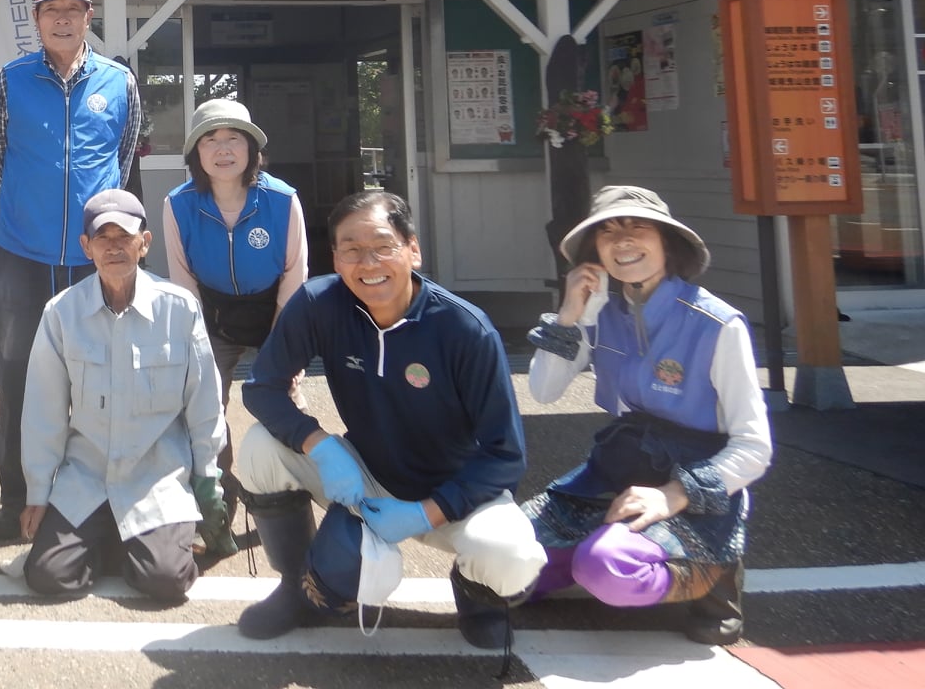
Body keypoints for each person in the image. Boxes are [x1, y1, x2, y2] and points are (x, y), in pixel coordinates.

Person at [235, 189, 545, 649]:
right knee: (261, 446)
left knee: (512, 555)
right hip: (366, 475)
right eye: (352, 250)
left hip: (454, 494)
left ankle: (477, 595)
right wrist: (320, 444)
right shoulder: (320, 303)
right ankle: (297, 586)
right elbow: (262, 387)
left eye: (382, 245)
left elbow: (505, 456)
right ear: (336, 259)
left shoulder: (465, 329)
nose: (368, 262)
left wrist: (425, 512)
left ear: (412, 249)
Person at [522, 185, 772, 645]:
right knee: (506, 562)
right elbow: (542, 390)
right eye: (607, 232)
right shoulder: (599, 314)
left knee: (604, 569)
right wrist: (570, 314)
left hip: (695, 481)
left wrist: (673, 495)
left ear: (667, 242)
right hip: (618, 468)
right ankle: (601, 551)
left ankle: (714, 575)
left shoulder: (718, 325)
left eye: (637, 227)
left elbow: (755, 447)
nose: (622, 241)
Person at [0, 0, 142, 541]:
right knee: (19, 374)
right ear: (37, 19)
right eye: (52, 11)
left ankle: (93, 493)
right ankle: (16, 497)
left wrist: (99, 234)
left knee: (99, 374)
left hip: (92, 257)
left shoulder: (119, 82)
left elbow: (122, 162)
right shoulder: (9, 80)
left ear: (88, 16)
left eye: (73, 10)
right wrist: (32, 212)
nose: (63, 19)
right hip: (23, 254)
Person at [20, 189, 226, 603]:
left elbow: (204, 402)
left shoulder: (180, 308)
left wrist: (208, 483)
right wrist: (38, 494)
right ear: (86, 247)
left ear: (144, 242)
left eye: (124, 236)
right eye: (102, 238)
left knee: (165, 581)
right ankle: (119, 541)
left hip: (156, 477)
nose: (113, 247)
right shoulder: (61, 313)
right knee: (49, 577)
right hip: (88, 477)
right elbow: (44, 411)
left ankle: (142, 544)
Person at [160, 99, 307, 500]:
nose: (223, 150)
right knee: (204, 403)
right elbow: (182, 280)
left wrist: (284, 344)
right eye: (210, 140)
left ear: (252, 150)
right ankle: (216, 491)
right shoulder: (179, 204)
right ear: (196, 153)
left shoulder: (282, 200)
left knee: (283, 397)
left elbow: (295, 274)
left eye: (234, 139)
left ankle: (288, 490)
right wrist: (197, 339)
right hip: (213, 312)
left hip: (274, 310)